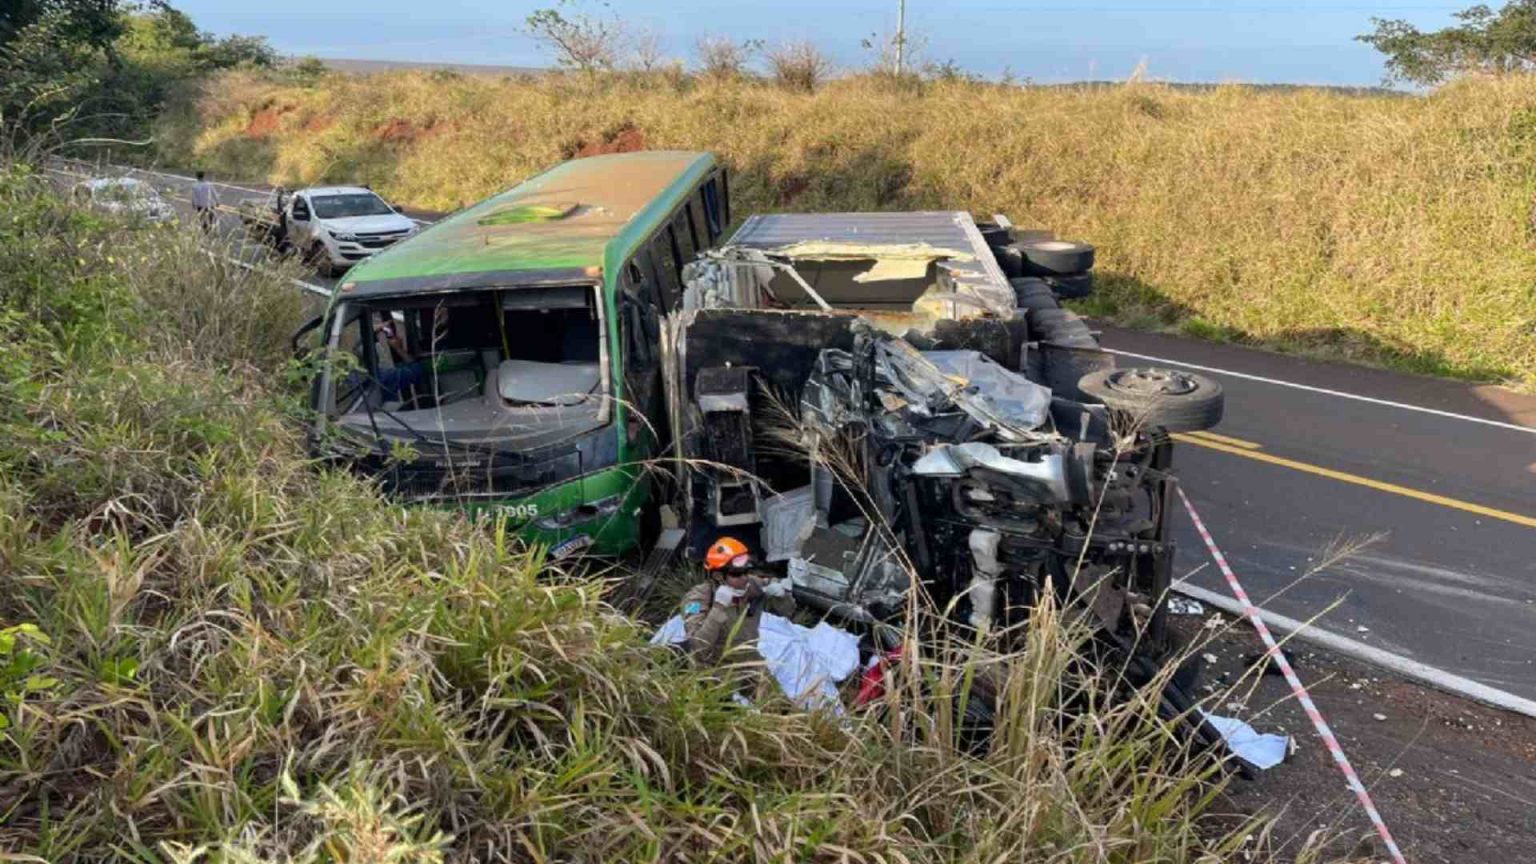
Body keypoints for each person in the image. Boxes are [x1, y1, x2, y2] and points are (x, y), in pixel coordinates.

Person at [679, 537, 795, 667]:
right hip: (713, 666)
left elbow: (787, 613)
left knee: (771, 687)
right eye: (737, 574)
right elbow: (698, 647)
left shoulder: (751, 585)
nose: (744, 578)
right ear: (718, 576)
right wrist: (718, 608)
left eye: (746, 571)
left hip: (749, 661)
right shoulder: (696, 599)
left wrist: (782, 595)